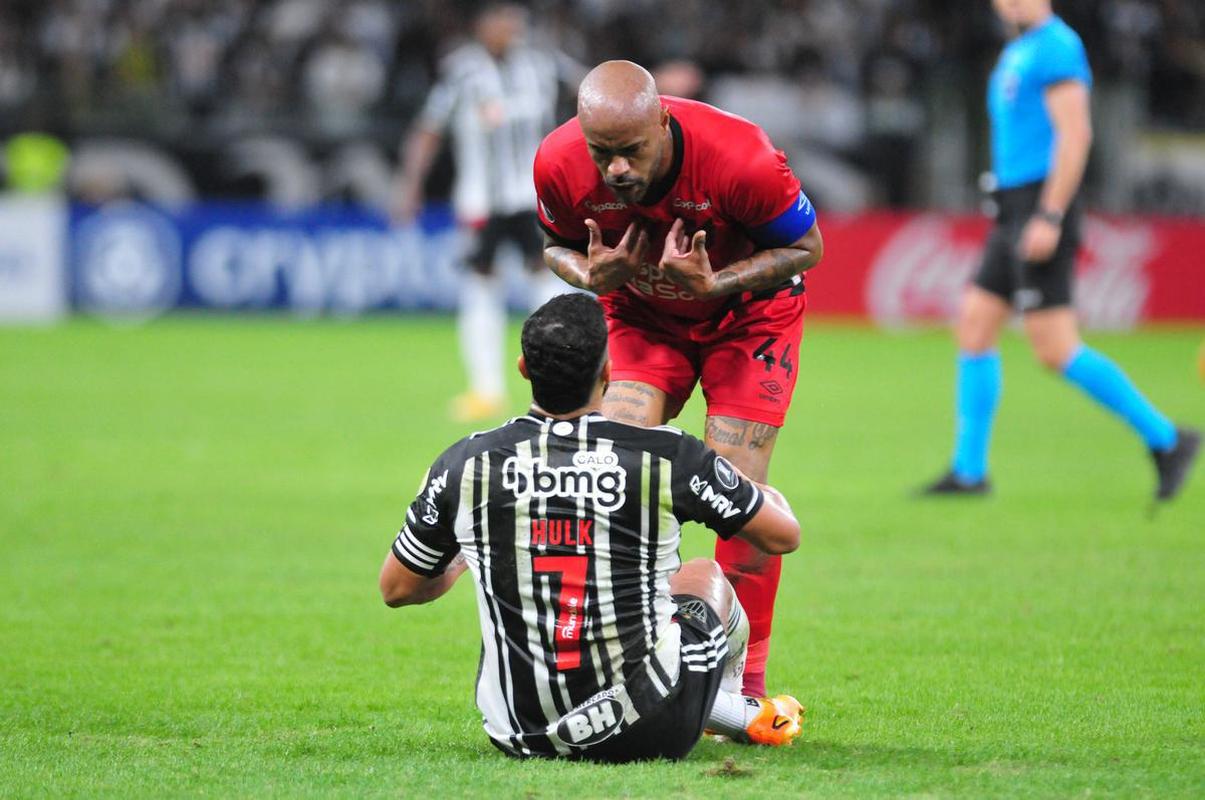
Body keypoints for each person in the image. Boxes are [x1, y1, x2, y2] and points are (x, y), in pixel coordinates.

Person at [378, 294, 805, 761]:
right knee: (702, 577)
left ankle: (735, 713)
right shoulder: (665, 456)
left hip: (521, 737)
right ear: (608, 373)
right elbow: (783, 536)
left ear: (523, 368)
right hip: (654, 731)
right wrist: (744, 488)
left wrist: (462, 557)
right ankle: (742, 714)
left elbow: (397, 588)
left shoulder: (466, 463)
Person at [532, 60, 824, 697]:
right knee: (608, 473)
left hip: (751, 316)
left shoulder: (739, 157)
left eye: (631, 151)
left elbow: (808, 248)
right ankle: (620, 658)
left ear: (663, 121)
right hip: (640, 313)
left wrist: (717, 281)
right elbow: (553, 242)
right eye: (600, 153)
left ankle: (739, 688)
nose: (616, 170)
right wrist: (587, 276)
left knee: (737, 492)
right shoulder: (556, 161)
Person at [920, 0, 1199, 499]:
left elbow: (1075, 136)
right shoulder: (1022, 49)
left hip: (1039, 206)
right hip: (1011, 208)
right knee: (976, 325)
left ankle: (1167, 438)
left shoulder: (1057, 46)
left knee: (1054, 347)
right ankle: (969, 472)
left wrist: (1049, 215)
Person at [392, 3, 574, 422]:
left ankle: (559, 384)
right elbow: (429, 127)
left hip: (533, 197)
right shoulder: (462, 70)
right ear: (481, 26)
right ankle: (485, 389)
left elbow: (593, 89)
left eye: (513, 19)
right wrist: (410, 186)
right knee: (481, 282)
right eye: (499, 19)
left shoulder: (543, 64)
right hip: (480, 201)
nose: (507, 28)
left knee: (544, 278)